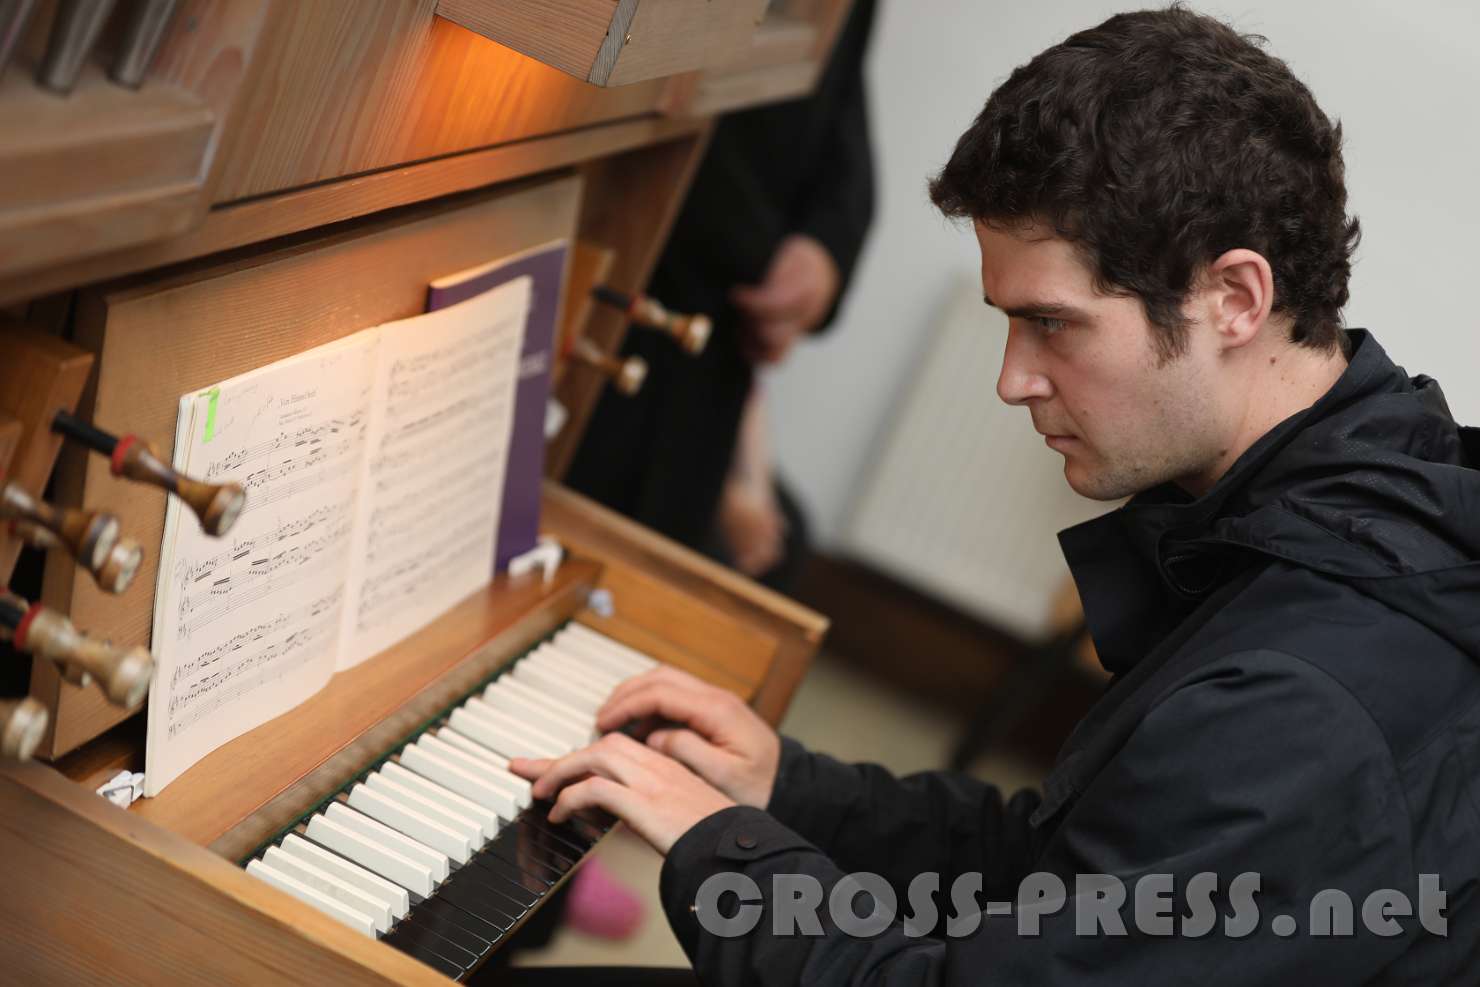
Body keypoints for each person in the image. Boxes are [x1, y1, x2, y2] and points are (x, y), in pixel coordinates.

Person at [511, 7, 1480, 984]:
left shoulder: (1303, 688)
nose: (1012, 380)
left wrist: (721, 845)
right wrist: (785, 790)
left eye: (1052, 324)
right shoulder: (1349, 496)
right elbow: (1070, 874)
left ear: (1234, 298)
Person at [565, 0, 877, 586]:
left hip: (712, 356)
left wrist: (823, 250)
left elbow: (841, 116)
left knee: (643, 585)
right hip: (607, 278)